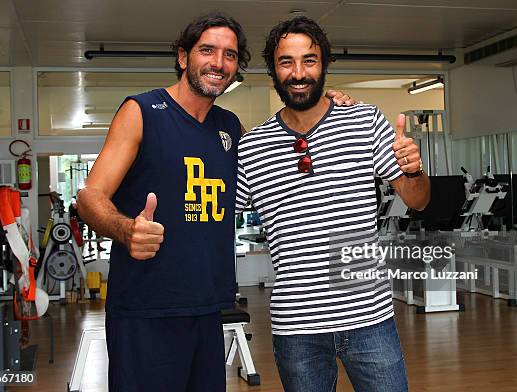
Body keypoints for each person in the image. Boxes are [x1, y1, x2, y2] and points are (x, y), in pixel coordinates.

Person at [77, 12, 355, 392]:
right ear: (182, 57)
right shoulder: (141, 112)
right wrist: (126, 230)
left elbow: (281, 159)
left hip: (209, 308)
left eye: (229, 55)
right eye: (207, 50)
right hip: (147, 308)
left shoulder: (230, 127)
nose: (218, 62)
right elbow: (90, 196)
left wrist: (327, 105)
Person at [235, 17, 430, 392]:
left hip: (369, 319)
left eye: (309, 60)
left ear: (323, 65)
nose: (298, 72)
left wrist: (415, 169)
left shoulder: (365, 121)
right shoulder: (253, 147)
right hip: (296, 329)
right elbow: (218, 213)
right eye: (286, 61)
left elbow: (418, 199)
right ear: (273, 70)